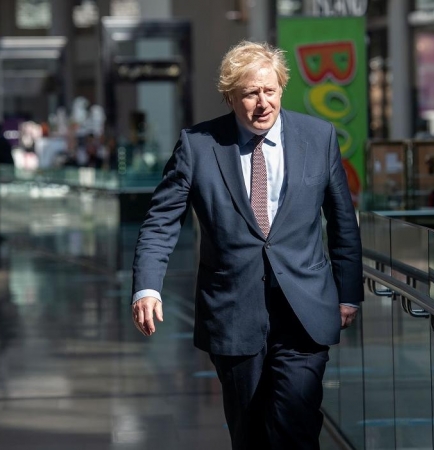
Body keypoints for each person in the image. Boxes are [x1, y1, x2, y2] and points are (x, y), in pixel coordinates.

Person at [131, 41, 363, 449]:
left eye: (269, 91)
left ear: (281, 88)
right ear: (230, 96)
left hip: (304, 311)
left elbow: (343, 223)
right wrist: (148, 286)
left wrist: (349, 294)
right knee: (250, 432)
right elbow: (161, 221)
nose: (262, 103)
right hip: (234, 311)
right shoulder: (198, 145)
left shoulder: (318, 137)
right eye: (250, 93)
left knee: (296, 423)